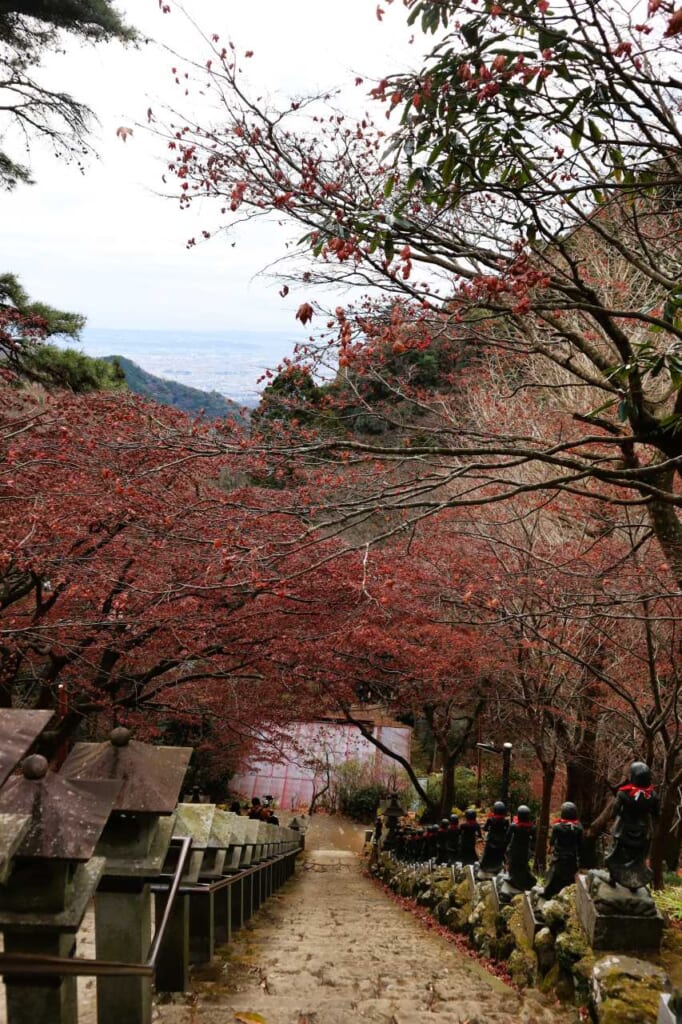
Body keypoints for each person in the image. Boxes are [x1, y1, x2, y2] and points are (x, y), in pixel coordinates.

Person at [605, 760, 659, 890]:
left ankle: (613, 878)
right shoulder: (652, 795)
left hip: (623, 829)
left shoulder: (623, 793)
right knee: (637, 858)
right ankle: (634, 883)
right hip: (642, 831)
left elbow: (614, 811)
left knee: (616, 853)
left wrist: (612, 818)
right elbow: (656, 813)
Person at [541, 801, 582, 899]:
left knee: (554, 876)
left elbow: (552, 842)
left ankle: (547, 893)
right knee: (569, 878)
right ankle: (567, 894)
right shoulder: (579, 828)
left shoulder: (557, 827)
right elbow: (580, 844)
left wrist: (549, 849)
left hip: (559, 857)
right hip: (572, 858)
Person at [503, 805, 537, 891]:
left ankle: (513, 880)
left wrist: (505, 848)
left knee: (513, 865)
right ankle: (527, 882)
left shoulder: (514, 826)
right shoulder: (532, 827)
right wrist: (532, 850)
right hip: (525, 850)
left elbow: (507, 838)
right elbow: (534, 841)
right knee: (523, 866)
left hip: (514, 849)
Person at [478, 801, 509, 877]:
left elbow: (485, 828)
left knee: (487, 854)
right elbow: (508, 831)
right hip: (501, 841)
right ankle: (498, 868)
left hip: (491, 840)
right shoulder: (506, 821)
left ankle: (485, 869)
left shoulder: (490, 820)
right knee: (499, 855)